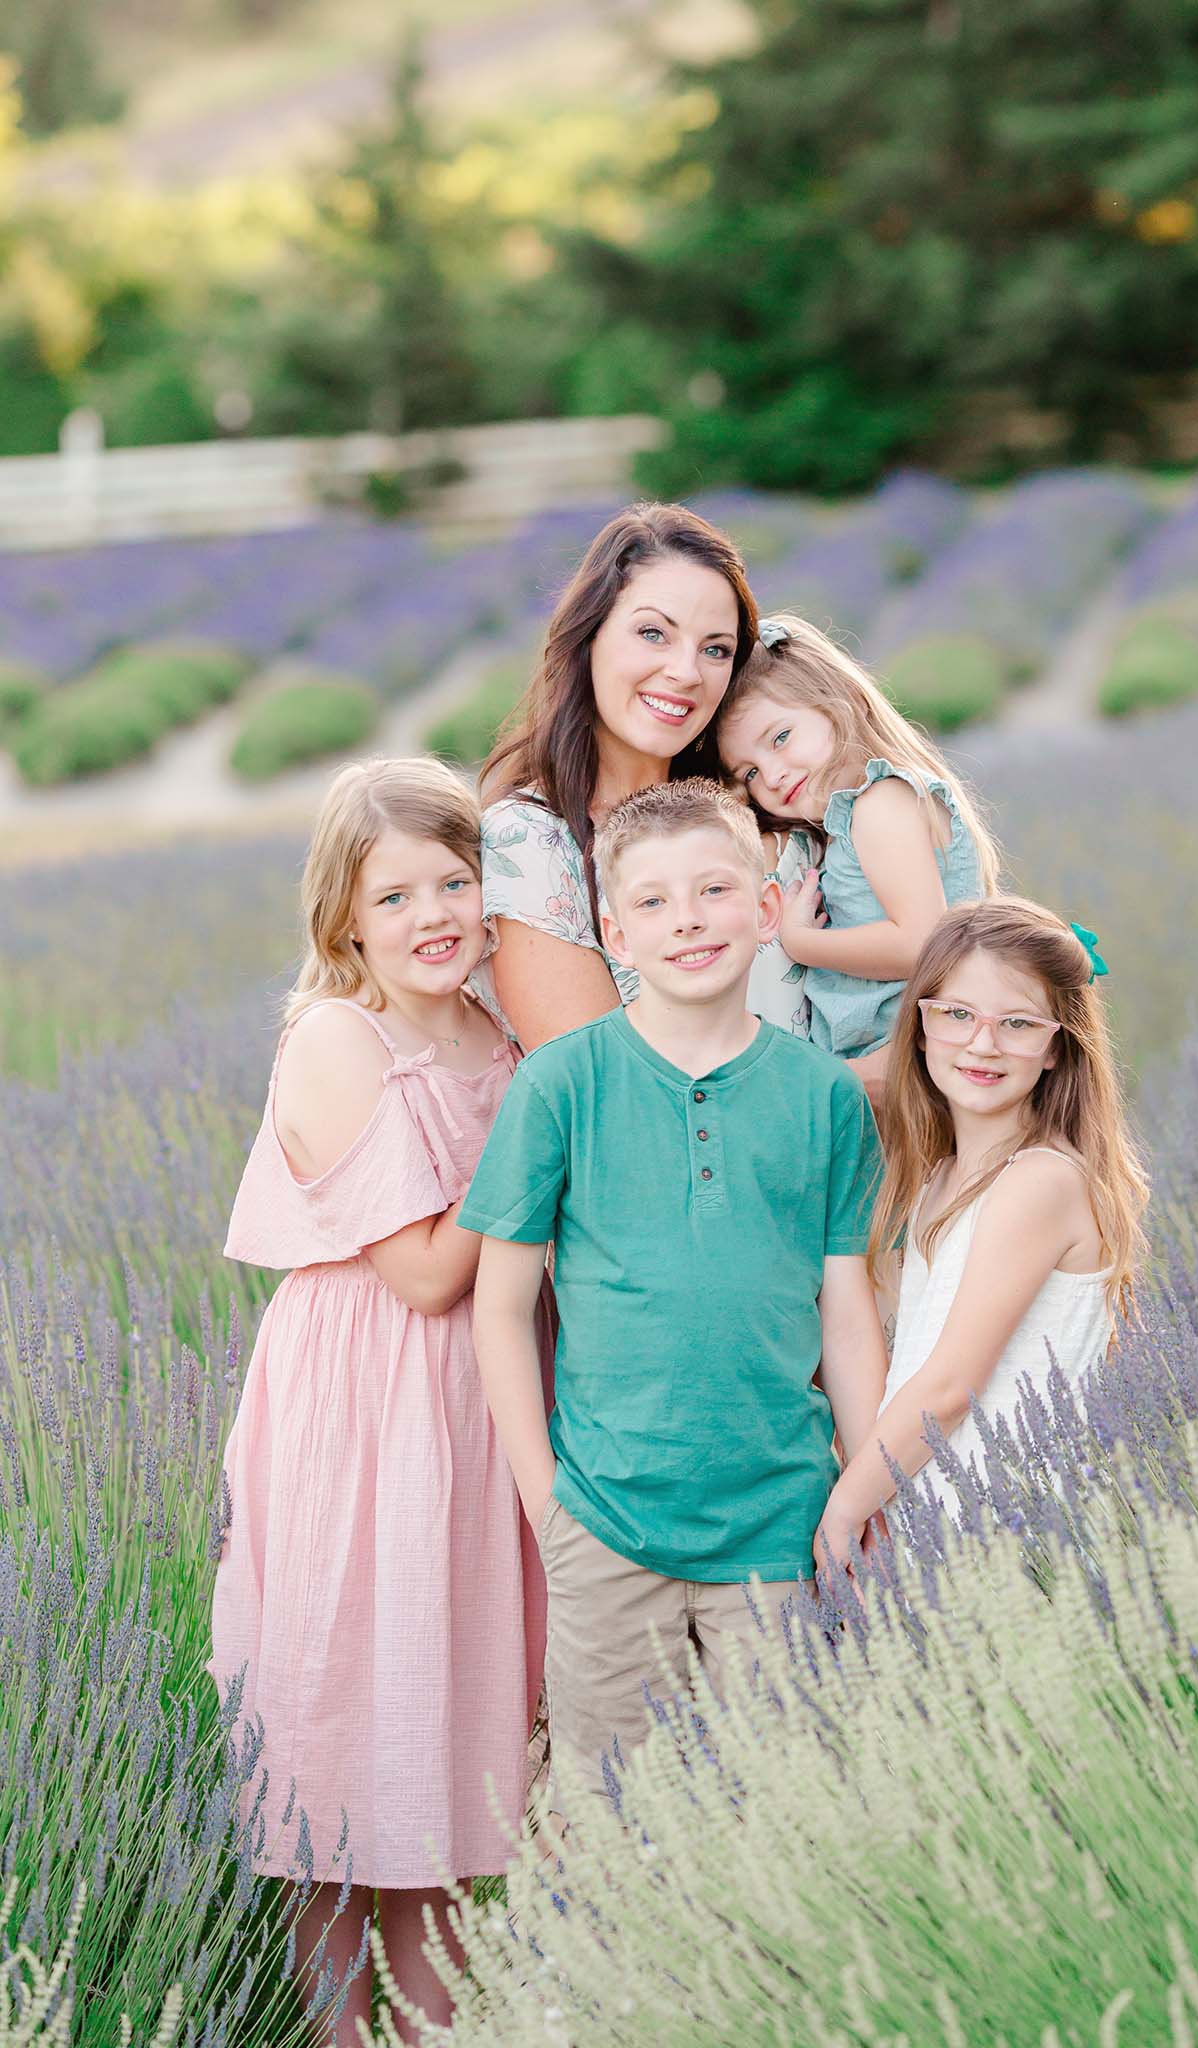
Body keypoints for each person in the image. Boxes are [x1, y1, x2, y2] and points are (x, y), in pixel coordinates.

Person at [460, 779, 887, 1814]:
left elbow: (845, 1305)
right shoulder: (562, 1083)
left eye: (713, 889)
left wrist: (869, 1487)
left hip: (782, 1522)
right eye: (652, 902)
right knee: (610, 1827)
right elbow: (501, 1304)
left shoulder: (824, 1093)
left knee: (787, 1817)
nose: (687, 918)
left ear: (766, 904)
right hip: (609, 1519)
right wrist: (543, 1495)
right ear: (612, 929)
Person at [211, 758, 553, 2044]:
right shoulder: (339, 1036)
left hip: (487, 1401)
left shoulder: (496, 1027)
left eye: (456, 880)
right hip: (368, 1413)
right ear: (345, 916)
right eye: (395, 891)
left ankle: (439, 2028)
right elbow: (416, 1274)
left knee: (456, 1730)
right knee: (358, 1721)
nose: (433, 913)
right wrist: (538, 1122)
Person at [816, 897, 1148, 1551]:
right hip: (943, 1516)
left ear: (1057, 1047)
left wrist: (845, 1510)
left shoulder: (1036, 1181)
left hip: (1015, 1526)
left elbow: (948, 1386)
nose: (981, 1043)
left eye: (1018, 1024)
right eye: (957, 1015)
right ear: (919, 1024)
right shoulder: (939, 1176)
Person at [479, 502, 815, 1050]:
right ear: (589, 638)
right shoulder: (532, 841)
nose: (686, 672)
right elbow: (606, 1091)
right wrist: (851, 1088)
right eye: (654, 634)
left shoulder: (762, 806)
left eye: (715, 649)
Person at [717, 614, 999, 1066]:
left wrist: (800, 941)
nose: (771, 775)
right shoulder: (846, 825)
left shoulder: (880, 804)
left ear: (841, 700)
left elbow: (921, 943)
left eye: (781, 738)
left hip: (909, 1058)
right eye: (749, 772)